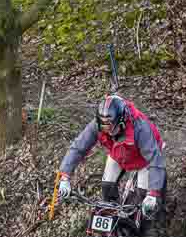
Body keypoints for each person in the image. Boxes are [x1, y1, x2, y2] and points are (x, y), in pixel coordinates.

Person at [57, 94, 166, 222]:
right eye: (103, 126)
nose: (107, 131)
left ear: (122, 120)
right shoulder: (97, 126)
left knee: (142, 201)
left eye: (110, 126)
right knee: (107, 187)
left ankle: (147, 229)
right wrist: (65, 176)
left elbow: (154, 159)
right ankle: (113, 219)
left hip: (143, 159)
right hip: (118, 153)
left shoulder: (140, 128)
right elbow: (78, 147)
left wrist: (153, 193)